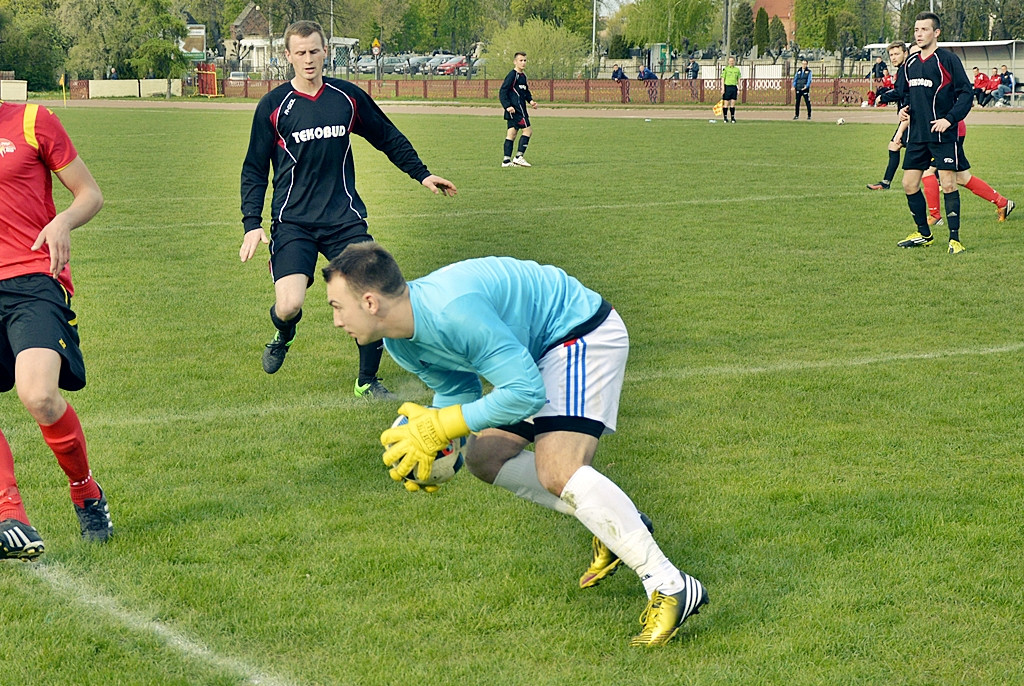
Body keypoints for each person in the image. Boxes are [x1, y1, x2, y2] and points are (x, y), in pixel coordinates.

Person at [323, 243, 708, 646]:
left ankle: (670, 584)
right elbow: (458, 388)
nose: (335, 320)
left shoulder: (454, 311)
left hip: (578, 332)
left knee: (558, 469)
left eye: (337, 306)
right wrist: (436, 447)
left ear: (369, 301)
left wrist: (445, 423)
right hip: (535, 353)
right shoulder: (400, 341)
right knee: (485, 458)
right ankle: (620, 525)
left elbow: (524, 391)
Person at [239, 20, 457, 398]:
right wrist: (251, 223)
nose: (308, 60)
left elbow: (387, 135)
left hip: (344, 221)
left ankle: (367, 381)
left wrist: (422, 174)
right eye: (300, 53)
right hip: (294, 223)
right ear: (287, 56)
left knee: (370, 297)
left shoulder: (347, 98)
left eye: (315, 51)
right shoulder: (274, 106)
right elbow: (255, 168)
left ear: (326, 52)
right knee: (289, 304)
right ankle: (284, 333)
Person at [0, 99, 110, 560]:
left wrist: (62, 219)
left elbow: (90, 194)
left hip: (33, 281)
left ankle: (86, 493)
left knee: (39, 394)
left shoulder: (31, 120)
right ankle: (11, 517)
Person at [893, 12, 973, 254]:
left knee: (948, 184)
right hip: (917, 134)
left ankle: (955, 239)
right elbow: (905, 94)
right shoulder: (910, 63)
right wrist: (903, 110)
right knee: (909, 184)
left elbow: (966, 94)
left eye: (924, 29)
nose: (919, 34)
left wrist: (949, 120)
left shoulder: (947, 60)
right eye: (916, 30)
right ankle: (923, 233)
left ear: (936, 32)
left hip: (941, 134)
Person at [919, 120, 1015, 225]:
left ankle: (935, 216)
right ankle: (1003, 203)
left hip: (946, 132)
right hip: (950, 130)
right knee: (962, 177)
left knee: (928, 171)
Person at [867, 42, 911, 191]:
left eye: (897, 54)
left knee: (919, 152)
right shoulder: (902, 70)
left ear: (905, 53)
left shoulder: (906, 70)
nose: (893, 57)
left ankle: (939, 179)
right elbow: (901, 90)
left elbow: (900, 92)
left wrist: (882, 98)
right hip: (907, 116)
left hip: (912, 116)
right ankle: (885, 182)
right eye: (891, 55)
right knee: (894, 145)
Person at [499, 52, 537, 168]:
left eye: (525, 60)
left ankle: (506, 161)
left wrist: (531, 101)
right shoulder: (512, 75)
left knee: (512, 133)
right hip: (516, 110)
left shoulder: (523, 76)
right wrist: (507, 106)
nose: (523, 62)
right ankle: (519, 157)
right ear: (515, 62)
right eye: (521, 60)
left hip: (519, 109)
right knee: (528, 131)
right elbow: (502, 91)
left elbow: (525, 92)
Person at [721, 56, 741, 122]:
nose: (731, 62)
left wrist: (739, 88)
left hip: (734, 87)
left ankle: (732, 117)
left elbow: (738, 79)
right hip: (727, 87)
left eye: (732, 61)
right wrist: (723, 88)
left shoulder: (737, 70)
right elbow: (723, 79)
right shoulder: (726, 69)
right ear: (728, 62)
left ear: (734, 61)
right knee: (726, 103)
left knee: (733, 103)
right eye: (730, 61)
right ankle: (725, 118)